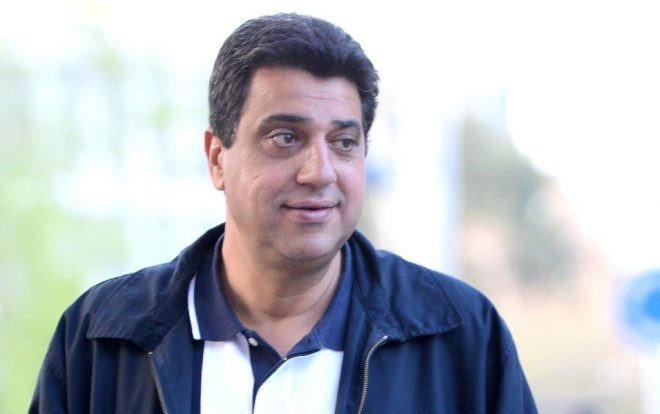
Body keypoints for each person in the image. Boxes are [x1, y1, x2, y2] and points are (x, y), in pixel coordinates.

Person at [30, 13, 537, 414]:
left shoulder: (461, 338)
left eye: (343, 142)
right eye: (285, 138)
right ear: (217, 158)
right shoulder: (101, 338)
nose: (320, 171)